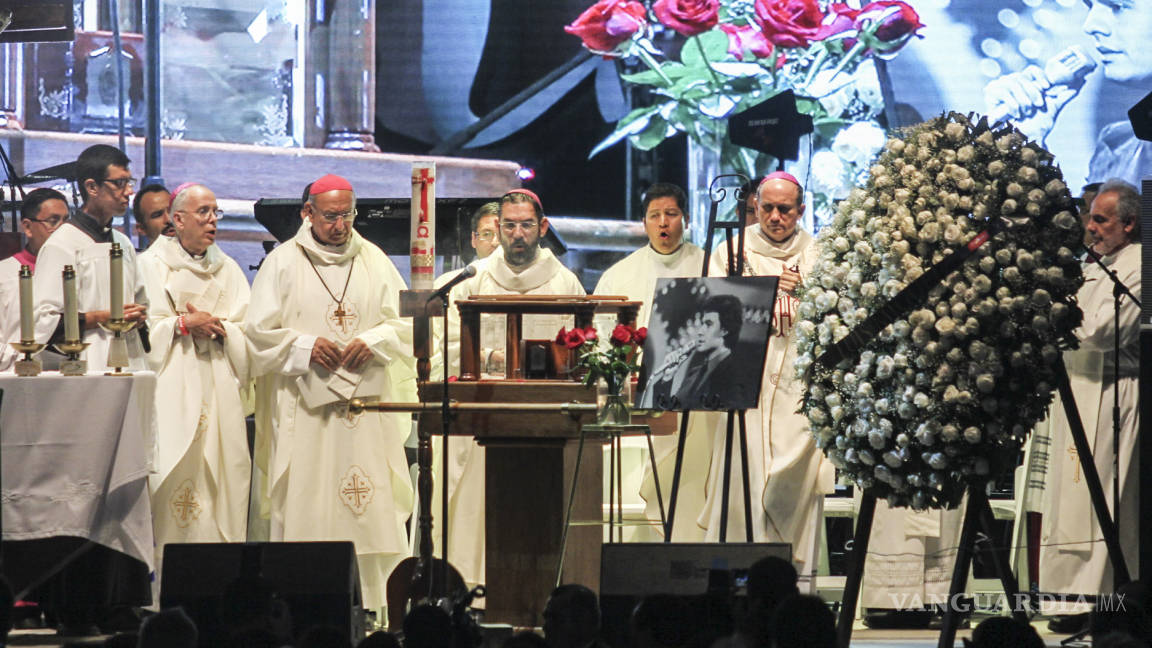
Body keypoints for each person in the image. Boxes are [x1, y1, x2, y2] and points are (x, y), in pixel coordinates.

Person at [247, 174, 416, 612]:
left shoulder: (374, 259)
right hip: (307, 412)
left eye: (347, 215)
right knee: (310, 502)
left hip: (365, 416)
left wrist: (374, 340)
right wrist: (304, 345)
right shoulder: (283, 262)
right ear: (308, 213)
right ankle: (305, 603)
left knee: (371, 506)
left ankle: (378, 604)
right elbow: (257, 335)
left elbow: (405, 323)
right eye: (331, 216)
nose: (341, 226)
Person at [435, 189, 585, 588]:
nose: (518, 234)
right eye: (510, 225)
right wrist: (491, 358)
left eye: (526, 225)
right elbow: (446, 344)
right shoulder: (472, 280)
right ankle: (472, 591)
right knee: (475, 510)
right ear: (498, 228)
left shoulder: (564, 282)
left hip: (543, 420)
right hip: (484, 414)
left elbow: (583, 346)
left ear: (543, 228)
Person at [701, 172, 834, 574]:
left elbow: (839, 315)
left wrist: (806, 291)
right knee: (746, 476)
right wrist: (764, 289)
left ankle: (795, 583)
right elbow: (711, 311)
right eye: (768, 208)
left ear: (801, 210)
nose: (776, 217)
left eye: (785, 209)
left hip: (800, 387)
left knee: (795, 480)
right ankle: (738, 578)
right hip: (749, 384)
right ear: (755, 207)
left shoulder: (820, 253)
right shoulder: (731, 251)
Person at [1039, 179, 1142, 625]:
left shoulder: (1139, 264)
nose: (1090, 227)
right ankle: (1067, 598)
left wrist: (1059, 314)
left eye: (1101, 219)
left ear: (1130, 224)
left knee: (1105, 499)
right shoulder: (1091, 264)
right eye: (1089, 217)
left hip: (1112, 393)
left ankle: (1103, 601)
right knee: (1069, 500)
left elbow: (1105, 332)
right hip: (1076, 391)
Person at [139, 183, 252, 585]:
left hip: (220, 390)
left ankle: (222, 591)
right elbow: (139, 335)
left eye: (216, 212)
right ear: (178, 218)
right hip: (172, 391)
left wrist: (223, 330)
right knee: (170, 491)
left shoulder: (230, 269)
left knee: (224, 483)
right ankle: (162, 593)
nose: (212, 221)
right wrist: (183, 324)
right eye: (203, 212)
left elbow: (249, 332)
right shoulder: (150, 266)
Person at [594, 183, 709, 541]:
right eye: (654, 216)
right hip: (640, 400)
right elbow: (601, 340)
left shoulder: (709, 265)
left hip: (701, 405)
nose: (663, 223)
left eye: (671, 214)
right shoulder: (619, 275)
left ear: (686, 219)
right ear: (643, 223)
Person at [982, 0, 1152, 187]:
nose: (1090, 25)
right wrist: (1024, 149)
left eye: (1117, 6)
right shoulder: (1117, 148)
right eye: (1090, 6)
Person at [32, 144, 149, 372]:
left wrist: (140, 316)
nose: (128, 191)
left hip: (131, 359)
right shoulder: (62, 244)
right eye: (119, 183)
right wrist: (103, 317)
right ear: (92, 187)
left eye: (129, 182)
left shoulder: (123, 243)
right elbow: (43, 321)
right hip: (89, 362)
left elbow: (141, 300)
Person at [0, 188, 69, 371]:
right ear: (28, 227)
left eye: (66, 222)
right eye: (53, 221)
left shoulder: (73, 272)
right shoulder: (4, 274)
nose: (62, 230)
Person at [133, 183, 173, 249]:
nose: (168, 219)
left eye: (171, 211)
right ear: (141, 228)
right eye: (157, 215)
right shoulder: (142, 259)